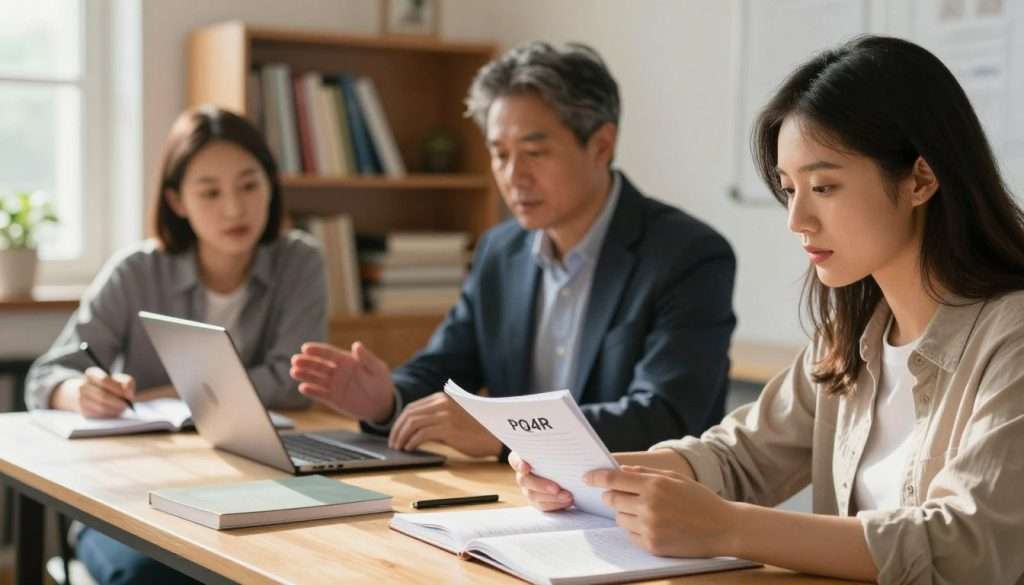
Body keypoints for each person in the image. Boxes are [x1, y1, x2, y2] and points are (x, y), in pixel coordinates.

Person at [511, 35, 1024, 585]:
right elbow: (740, 457)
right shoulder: (851, 337)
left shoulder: (1010, 338)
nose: (797, 220)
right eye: (789, 189)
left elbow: (965, 547)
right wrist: (592, 476)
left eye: (823, 187)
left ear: (920, 179)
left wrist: (729, 528)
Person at [289, 41, 737, 458]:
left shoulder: (688, 255)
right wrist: (387, 399)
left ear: (601, 145)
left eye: (534, 152)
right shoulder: (501, 250)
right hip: (521, 500)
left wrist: (510, 434)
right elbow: (448, 366)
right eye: (500, 154)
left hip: (639, 504)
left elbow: (666, 417)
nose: (513, 176)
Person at [25, 105, 327, 585]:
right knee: (156, 575)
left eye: (249, 186)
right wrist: (79, 392)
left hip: (254, 486)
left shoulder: (299, 261)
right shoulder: (137, 270)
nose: (234, 209)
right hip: (133, 491)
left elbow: (294, 382)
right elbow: (46, 375)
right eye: (210, 192)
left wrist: (163, 395)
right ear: (177, 200)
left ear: (271, 186)